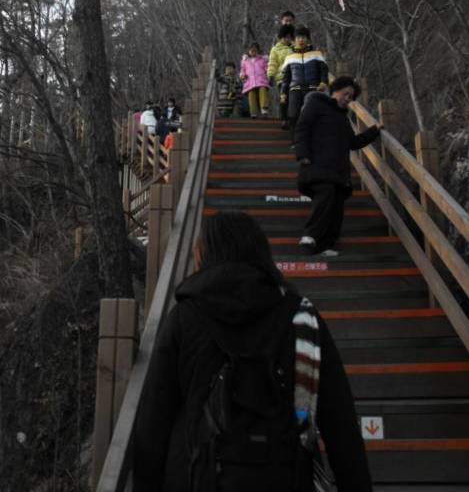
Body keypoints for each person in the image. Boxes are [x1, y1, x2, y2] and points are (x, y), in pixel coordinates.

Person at [133, 210, 373, 492]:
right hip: (284, 475)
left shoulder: (184, 318)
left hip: (198, 476)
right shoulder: (301, 317)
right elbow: (340, 423)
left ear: (203, 256)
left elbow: (153, 420)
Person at [295, 76, 382, 257]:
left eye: (351, 97)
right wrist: (303, 155)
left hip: (338, 170)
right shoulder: (316, 104)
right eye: (345, 94)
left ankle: (326, 244)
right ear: (335, 90)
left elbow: (353, 142)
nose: (347, 99)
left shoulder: (343, 118)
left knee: (336, 205)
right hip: (317, 164)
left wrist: (374, 131)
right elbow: (303, 128)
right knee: (325, 195)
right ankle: (309, 236)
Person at [281, 26, 329, 138]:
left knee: (312, 116)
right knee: (293, 115)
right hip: (295, 90)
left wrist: (323, 82)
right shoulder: (289, 57)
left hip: (313, 89)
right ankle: (295, 141)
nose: (301, 40)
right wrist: (283, 93)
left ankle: (313, 141)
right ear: (294, 41)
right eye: (298, 37)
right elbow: (286, 78)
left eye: (303, 37)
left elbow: (324, 71)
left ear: (308, 39)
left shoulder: (317, 54)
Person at [267, 23, 295, 128]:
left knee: (293, 99)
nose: (287, 39)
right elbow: (272, 63)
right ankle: (284, 119)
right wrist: (271, 75)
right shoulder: (275, 49)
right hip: (282, 78)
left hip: (295, 78)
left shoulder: (295, 48)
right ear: (280, 38)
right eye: (285, 37)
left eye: (289, 37)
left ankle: (293, 118)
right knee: (284, 98)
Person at [240, 42, 270, 118]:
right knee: (251, 94)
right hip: (250, 82)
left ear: (258, 51)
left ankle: (264, 109)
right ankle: (253, 112)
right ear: (248, 51)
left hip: (261, 80)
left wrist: (269, 73)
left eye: (255, 51)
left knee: (263, 90)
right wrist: (242, 75)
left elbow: (267, 68)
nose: (253, 52)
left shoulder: (262, 59)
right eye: (251, 51)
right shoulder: (245, 60)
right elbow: (242, 70)